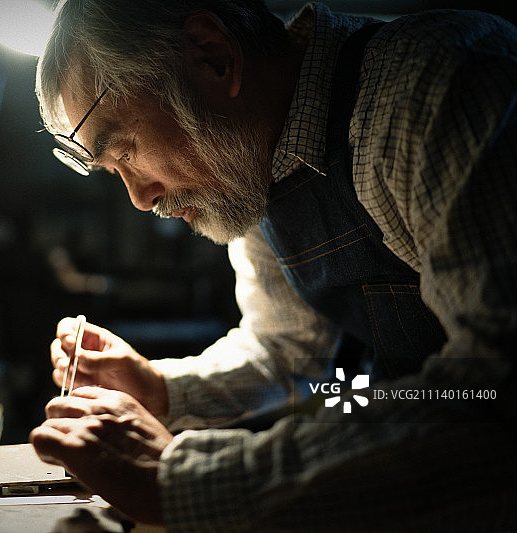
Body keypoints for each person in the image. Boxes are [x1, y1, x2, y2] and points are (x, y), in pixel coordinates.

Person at [29, 1, 517, 530]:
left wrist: (183, 481)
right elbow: (288, 349)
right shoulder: (254, 161)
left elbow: (495, 393)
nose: (140, 199)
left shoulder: (437, 88)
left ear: (213, 57)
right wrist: (160, 388)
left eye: (125, 149)